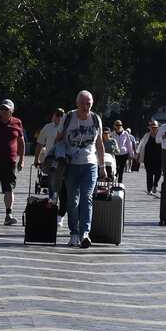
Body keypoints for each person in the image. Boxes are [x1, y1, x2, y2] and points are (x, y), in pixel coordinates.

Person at [56, 90, 106, 248]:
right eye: (83, 104)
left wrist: (102, 165)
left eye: (89, 104)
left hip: (90, 164)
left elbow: (99, 143)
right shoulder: (69, 117)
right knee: (72, 200)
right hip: (71, 165)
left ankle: (85, 232)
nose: (86, 107)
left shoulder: (96, 118)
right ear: (77, 103)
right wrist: (54, 159)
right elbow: (58, 138)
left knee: (87, 197)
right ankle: (74, 233)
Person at [138, 120, 163, 195]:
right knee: (149, 174)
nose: (153, 129)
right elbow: (141, 144)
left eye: (155, 127)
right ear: (149, 128)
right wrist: (137, 152)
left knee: (158, 173)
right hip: (148, 158)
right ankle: (149, 189)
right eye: (152, 127)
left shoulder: (160, 136)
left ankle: (155, 184)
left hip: (159, 158)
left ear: (157, 128)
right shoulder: (147, 135)